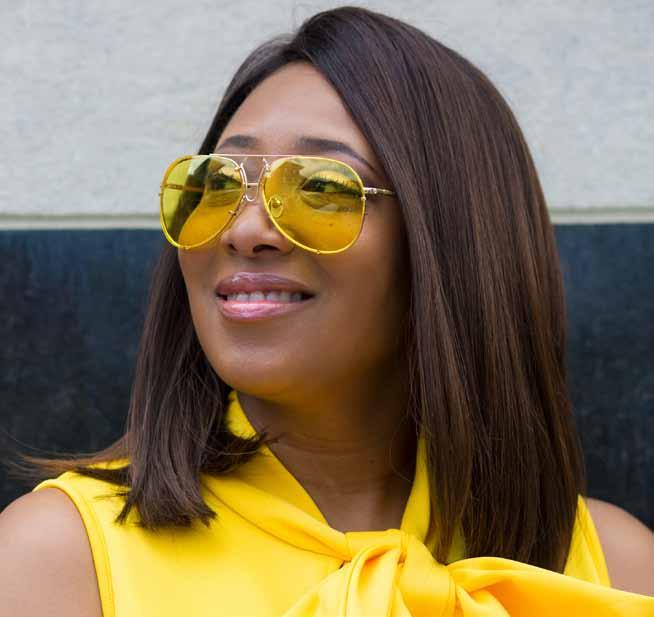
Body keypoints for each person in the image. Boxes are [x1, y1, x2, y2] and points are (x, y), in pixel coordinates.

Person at [1, 6, 652, 616]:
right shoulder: (57, 561)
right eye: (217, 184)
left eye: (319, 187)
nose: (244, 229)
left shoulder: (613, 571)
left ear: (452, 238)